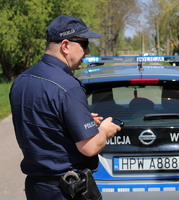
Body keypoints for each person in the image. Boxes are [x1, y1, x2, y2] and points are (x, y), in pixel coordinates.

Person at [9, 15, 121, 200]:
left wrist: (76, 123)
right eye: (84, 43)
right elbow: (90, 147)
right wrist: (105, 130)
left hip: (36, 188)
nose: (87, 51)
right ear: (65, 46)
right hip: (66, 190)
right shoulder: (68, 87)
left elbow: (42, 123)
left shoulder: (21, 81)